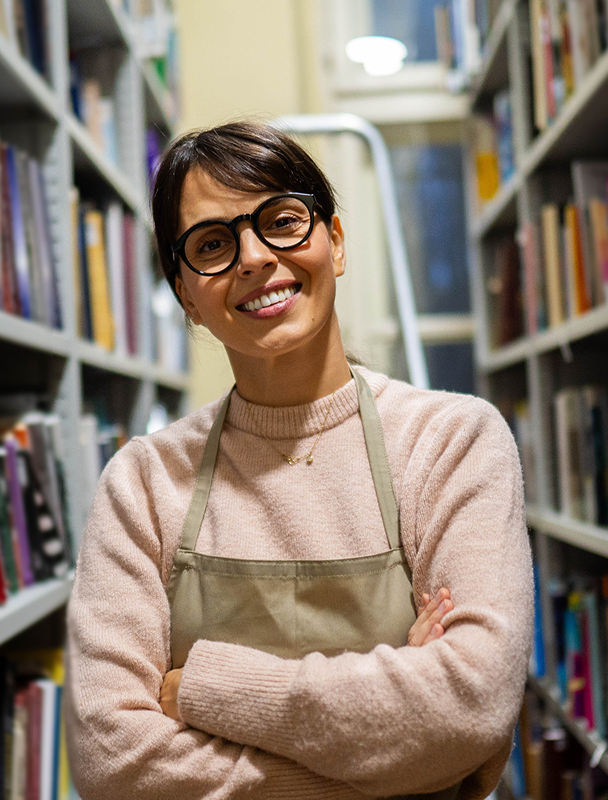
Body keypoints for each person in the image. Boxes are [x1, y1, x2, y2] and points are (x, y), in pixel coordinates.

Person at [66, 120, 531, 799]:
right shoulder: (142, 483)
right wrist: (398, 760)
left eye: (282, 221)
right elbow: (112, 762)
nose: (254, 257)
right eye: (213, 245)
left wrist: (201, 688)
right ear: (186, 297)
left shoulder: (451, 442)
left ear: (334, 242)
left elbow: (469, 705)